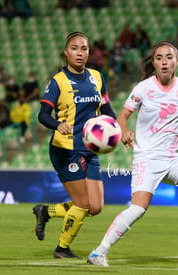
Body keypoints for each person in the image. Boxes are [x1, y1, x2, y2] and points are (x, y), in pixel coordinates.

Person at [87, 41, 178, 266]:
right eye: (159, 58)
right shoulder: (143, 88)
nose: (164, 62)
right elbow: (122, 117)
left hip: (175, 158)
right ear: (154, 63)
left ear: (176, 61)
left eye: (169, 57)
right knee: (138, 208)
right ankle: (98, 252)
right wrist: (125, 130)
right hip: (147, 159)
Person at [32, 32, 116, 259]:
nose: (80, 53)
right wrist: (58, 124)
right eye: (75, 48)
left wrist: (120, 129)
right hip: (66, 149)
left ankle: (45, 211)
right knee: (82, 203)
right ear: (66, 52)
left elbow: (106, 110)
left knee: (95, 207)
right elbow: (43, 115)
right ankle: (62, 248)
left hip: (90, 149)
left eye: (84, 49)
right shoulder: (57, 81)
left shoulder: (97, 77)